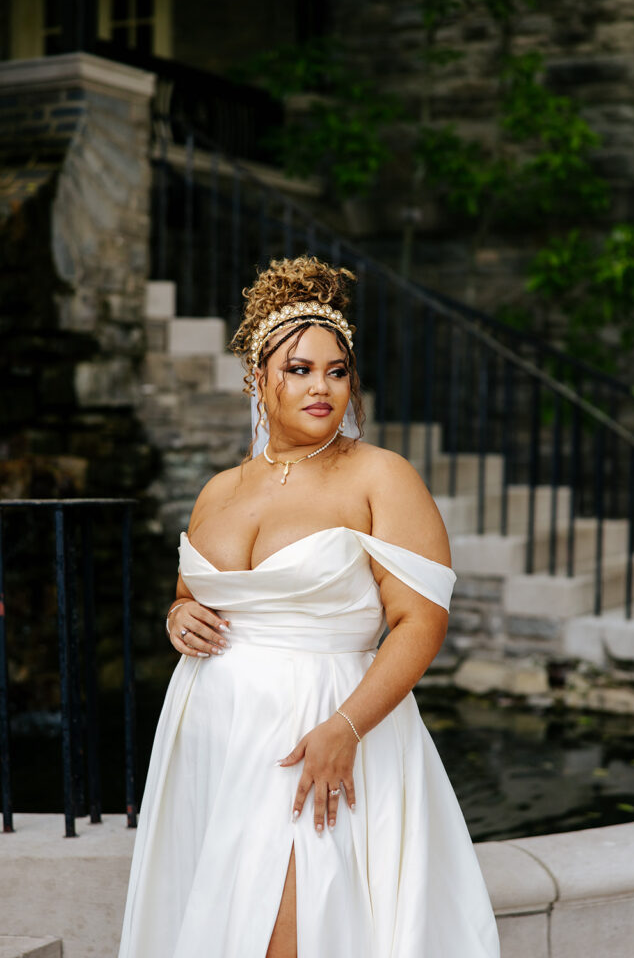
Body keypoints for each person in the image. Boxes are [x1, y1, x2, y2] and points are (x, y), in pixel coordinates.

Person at [117, 256, 500, 958]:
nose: (321, 386)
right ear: (257, 379)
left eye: (336, 370)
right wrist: (177, 617)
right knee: (217, 921)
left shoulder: (380, 475)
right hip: (210, 732)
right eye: (298, 369)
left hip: (320, 724)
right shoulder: (219, 490)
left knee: (297, 929)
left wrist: (344, 728)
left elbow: (420, 621)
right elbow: (192, 595)